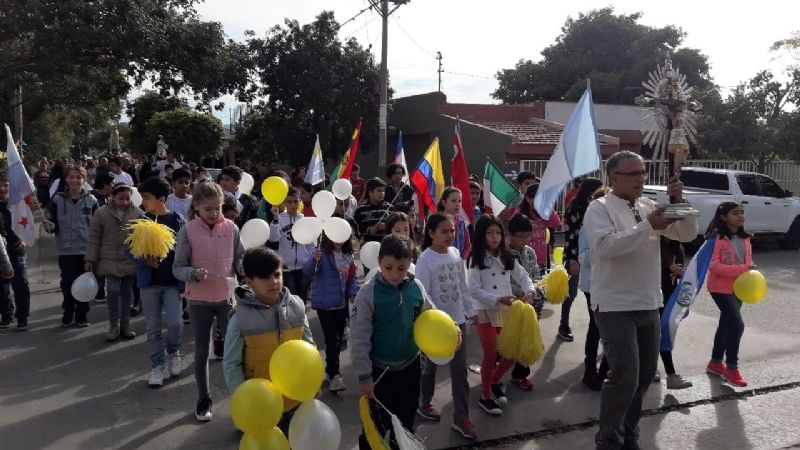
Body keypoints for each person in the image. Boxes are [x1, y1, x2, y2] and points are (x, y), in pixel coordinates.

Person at [584, 151, 697, 450]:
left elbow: (687, 234)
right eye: (633, 174)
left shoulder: (648, 205)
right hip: (615, 305)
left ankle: (629, 435)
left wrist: (679, 201)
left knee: (644, 376)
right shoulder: (599, 208)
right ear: (614, 177)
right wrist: (648, 225)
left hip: (649, 300)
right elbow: (606, 247)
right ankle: (608, 440)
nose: (640, 179)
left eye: (643, 173)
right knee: (625, 375)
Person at [351, 235, 434, 448]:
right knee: (375, 428)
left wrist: (451, 331)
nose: (395, 274)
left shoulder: (416, 288)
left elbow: (431, 316)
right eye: (389, 268)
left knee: (405, 425)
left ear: (409, 264)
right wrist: (364, 376)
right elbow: (359, 338)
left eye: (401, 268)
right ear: (379, 263)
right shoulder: (368, 294)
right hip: (379, 373)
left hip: (410, 368)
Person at [173, 180, 245, 422]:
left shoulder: (232, 228)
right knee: (202, 351)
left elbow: (240, 258)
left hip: (227, 300)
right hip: (199, 301)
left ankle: (243, 398)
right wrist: (193, 274)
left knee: (236, 351)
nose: (214, 213)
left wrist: (244, 269)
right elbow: (177, 268)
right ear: (196, 206)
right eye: (208, 209)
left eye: (218, 208)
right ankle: (204, 398)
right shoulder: (187, 230)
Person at [223, 247, 315, 434]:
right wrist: (244, 400)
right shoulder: (240, 318)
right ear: (249, 281)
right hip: (261, 405)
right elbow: (232, 364)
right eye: (265, 278)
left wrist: (313, 383)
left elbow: (309, 347)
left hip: (295, 398)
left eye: (277, 274)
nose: (273, 282)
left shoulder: (297, 306)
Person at [415, 213, 476, 440]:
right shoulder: (425, 259)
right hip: (435, 326)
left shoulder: (455, 254)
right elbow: (423, 293)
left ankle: (461, 417)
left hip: (458, 322)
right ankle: (424, 403)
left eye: (452, 230)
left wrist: (469, 312)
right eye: (444, 231)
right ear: (431, 233)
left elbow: (462, 285)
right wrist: (439, 320)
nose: (450, 235)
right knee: (429, 368)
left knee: (459, 371)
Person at [468, 215, 535, 416]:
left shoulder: (506, 256)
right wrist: (498, 299)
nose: (494, 236)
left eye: (497, 232)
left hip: (505, 310)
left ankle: (493, 381)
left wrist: (530, 291)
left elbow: (523, 275)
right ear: (481, 235)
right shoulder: (475, 258)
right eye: (489, 233)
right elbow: (473, 289)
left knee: (511, 351)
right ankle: (486, 396)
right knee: (490, 354)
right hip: (484, 310)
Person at [135, 177, 186, 387]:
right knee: (153, 327)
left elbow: (185, 251)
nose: (143, 202)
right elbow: (130, 251)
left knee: (175, 323)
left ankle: (174, 353)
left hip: (172, 283)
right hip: (149, 284)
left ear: (162, 199)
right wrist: (143, 259)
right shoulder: (141, 222)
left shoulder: (177, 220)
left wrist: (185, 281)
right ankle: (157, 366)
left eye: (147, 198)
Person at [303, 233, 359, 392]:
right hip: (325, 306)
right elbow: (307, 271)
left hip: (341, 305)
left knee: (338, 340)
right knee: (332, 340)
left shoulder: (348, 256)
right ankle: (335, 376)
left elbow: (352, 278)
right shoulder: (322, 254)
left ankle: (330, 370)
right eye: (335, 237)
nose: (339, 241)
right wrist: (314, 260)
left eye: (342, 237)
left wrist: (353, 292)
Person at [85, 183, 141, 341]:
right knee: (113, 290)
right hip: (109, 259)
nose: (124, 202)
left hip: (130, 259)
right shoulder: (101, 213)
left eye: (127, 199)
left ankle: (125, 325)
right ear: (112, 197)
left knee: (127, 293)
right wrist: (90, 258)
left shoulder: (138, 213)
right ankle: (113, 325)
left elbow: (143, 237)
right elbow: (94, 237)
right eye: (121, 199)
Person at [706, 201, 753, 388]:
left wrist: (750, 270)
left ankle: (715, 362)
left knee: (725, 325)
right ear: (724, 217)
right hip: (720, 289)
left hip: (739, 288)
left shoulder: (745, 238)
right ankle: (731, 368)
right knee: (737, 325)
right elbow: (714, 266)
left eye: (742, 212)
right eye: (735, 213)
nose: (741, 216)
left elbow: (747, 261)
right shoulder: (717, 238)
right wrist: (744, 269)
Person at [48, 165, 99, 327]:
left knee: (84, 283)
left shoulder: (92, 200)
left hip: (86, 250)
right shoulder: (57, 199)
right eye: (71, 177)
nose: (75, 180)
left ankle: (82, 315)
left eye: (78, 177)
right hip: (66, 250)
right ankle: (68, 310)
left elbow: (97, 227)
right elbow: (52, 223)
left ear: (84, 180)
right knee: (68, 282)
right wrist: (49, 225)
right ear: (66, 179)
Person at [561, 178, 604, 342]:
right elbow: (571, 236)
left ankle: (601, 332)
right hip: (576, 256)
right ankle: (563, 326)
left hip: (591, 259)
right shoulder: (576, 209)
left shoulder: (593, 208)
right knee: (570, 293)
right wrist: (573, 260)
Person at [507, 214, 543, 390]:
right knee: (510, 339)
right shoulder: (504, 255)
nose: (524, 240)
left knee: (527, 339)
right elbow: (505, 281)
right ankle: (496, 370)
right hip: (512, 305)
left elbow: (536, 274)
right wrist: (521, 294)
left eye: (527, 236)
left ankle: (520, 374)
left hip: (532, 303)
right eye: (520, 236)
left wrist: (536, 290)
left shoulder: (530, 252)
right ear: (510, 234)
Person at [579, 187, 609, 391]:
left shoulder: (615, 225)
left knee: (611, 330)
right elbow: (584, 257)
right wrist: (607, 249)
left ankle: (605, 371)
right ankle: (590, 370)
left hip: (613, 284)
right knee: (596, 327)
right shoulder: (587, 228)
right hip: (593, 284)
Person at [657, 236, 693, 389]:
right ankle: (670, 374)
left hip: (669, 294)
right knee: (659, 333)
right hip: (652, 294)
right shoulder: (653, 239)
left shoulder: (676, 244)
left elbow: (679, 269)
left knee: (662, 333)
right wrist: (668, 268)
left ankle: (662, 372)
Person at [268, 187, 314, 302]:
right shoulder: (279, 219)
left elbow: (310, 244)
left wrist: (309, 260)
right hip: (286, 268)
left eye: (295, 201)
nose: (293, 205)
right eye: (289, 202)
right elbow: (273, 238)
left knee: (302, 299)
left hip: (303, 267)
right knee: (289, 300)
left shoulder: (304, 220)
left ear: (300, 201)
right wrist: (275, 219)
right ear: (284, 202)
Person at [0, 171, 32, 330]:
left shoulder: (18, 204)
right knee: (2, 287)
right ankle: (6, 314)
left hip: (16, 249)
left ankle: (22, 317)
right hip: (1, 252)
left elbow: (28, 225)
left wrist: (24, 239)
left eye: (6, 185)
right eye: (0, 186)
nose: (2, 189)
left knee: (21, 284)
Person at [354, 177, 393, 243]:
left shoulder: (390, 208)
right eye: (379, 191)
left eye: (383, 191)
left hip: (387, 245)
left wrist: (387, 225)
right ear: (370, 193)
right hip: (368, 245)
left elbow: (396, 225)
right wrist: (368, 230)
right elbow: (355, 229)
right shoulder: (360, 210)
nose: (382, 193)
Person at [437, 187, 471, 259]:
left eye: (459, 201)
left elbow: (467, 245)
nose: (457, 204)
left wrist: (462, 258)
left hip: (459, 262)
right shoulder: (437, 222)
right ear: (444, 203)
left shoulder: (461, 223)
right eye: (453, 201)